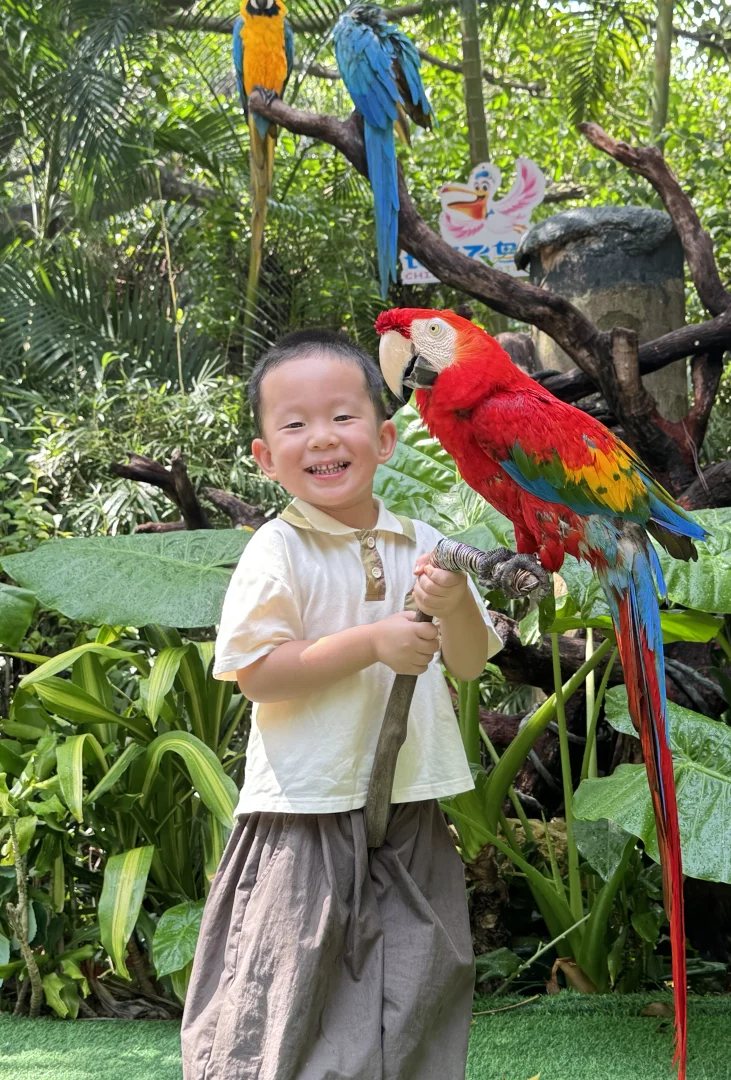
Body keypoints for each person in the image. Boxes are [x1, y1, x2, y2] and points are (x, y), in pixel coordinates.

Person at [180, 329, 501, 1080]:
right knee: (289, 986)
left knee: (422, 975)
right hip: (305, 808)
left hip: (410, 803)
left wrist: (453, 603)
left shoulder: (425, 543)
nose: (322, 437)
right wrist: (372, 642)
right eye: (294, 424)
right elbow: (259, 674)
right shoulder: (277, 551)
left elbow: (468, 661)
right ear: (265, 457)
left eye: (343, 417)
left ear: (385, 440)